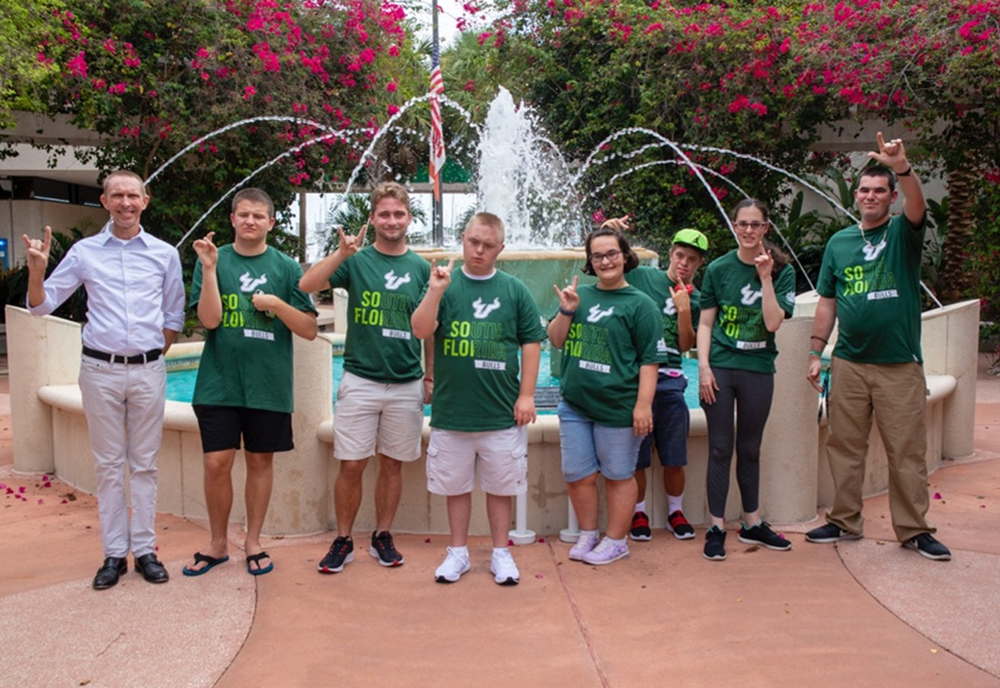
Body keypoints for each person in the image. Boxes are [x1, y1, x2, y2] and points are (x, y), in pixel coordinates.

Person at [23, 170, 185, 589]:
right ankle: (114, 554)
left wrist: (148, 357)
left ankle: (146, 550)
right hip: (99, 371)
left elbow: (173, 317)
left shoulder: (165, 254)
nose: (126, 203)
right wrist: (37, 271)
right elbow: (40, 307)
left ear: (145, 201)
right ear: (104, 200)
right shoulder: (84, 252)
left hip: (148, 371)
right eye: (118, 195)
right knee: (110, 466)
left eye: (133, 195)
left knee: (145, 465)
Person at [805, 134, 951, 561]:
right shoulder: (839, 243)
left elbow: (917, 204)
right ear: (857, 196)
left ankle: (914, 530)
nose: (871, 196)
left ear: (890, 198)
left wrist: (902, 167)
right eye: (864, 190)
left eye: (879, 191)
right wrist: (816, 352)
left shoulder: (903, 234)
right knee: (844, 446)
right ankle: (844, 520)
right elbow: (827, 301)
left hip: (898, 365)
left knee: (906, 450)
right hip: (848, 362)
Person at [183, 188, 318, 577]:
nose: (250, 222)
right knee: (216, 463)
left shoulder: (288, 268)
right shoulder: (213, 259)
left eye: (258, 216)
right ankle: (217, 543)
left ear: (271, 223)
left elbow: (308, 328)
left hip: (269, 385)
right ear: (232, 219)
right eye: (243, 215)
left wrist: (276, 304)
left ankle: (254, 541)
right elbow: (209, 321)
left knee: (260, 462)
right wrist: (208, 269)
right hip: (218, 383)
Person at [299, 182, 431, 573]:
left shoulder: (422, 269)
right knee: (352, 464)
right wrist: (341, 253)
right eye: (384, 214)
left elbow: (431, 331)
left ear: (409, 218)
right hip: (360, 379)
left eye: (399, 214)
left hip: (407, 381)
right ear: (372, 217)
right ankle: (343, 539)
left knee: (392, 463)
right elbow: (306, 285)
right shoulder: (356, 261)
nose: (392, 221)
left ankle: (382, 534)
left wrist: (430, 379)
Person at [411, 212, 545, 585]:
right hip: (452, 411)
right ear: (463, 239)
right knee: (455, 487)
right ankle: (458, 552)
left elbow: (531, 343)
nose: (479, 251)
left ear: (500, 248)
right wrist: (436, 291)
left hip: (501, 412)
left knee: (501, 488)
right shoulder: (444, 285)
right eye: (473, 242)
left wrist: (527, 395)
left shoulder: (514, 290)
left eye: (488, 245)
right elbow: (421, 329)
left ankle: (501, 552)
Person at [549, 227, 666, 565]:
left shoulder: (641, 305)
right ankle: (588, 533)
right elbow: (556, 340)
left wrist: (643, 405)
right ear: (590, 261)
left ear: (625, 256)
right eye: (597, 255)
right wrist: (567, 311)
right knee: (578, 475)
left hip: (618, 406)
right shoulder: (580, 295)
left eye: (611, 253)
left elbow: (650, 360)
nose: (605, 261)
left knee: (618, 476)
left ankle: (616, 540)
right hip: (575, 405)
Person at [697, 199, 796, 561]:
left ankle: (752, 522)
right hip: (721, 367)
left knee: (751, 448)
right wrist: (704, 367)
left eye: (756, 225)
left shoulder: (782, 270)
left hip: (757, 368)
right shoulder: (719, 269)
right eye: (743, 224)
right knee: (721, 447)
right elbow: (705, 322)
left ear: (766, 229)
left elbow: (772, 323)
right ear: (735, 227)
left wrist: (766, 277)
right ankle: (716, 527)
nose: (749, 230)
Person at [624, 226, 708, 541]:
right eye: (680, 255)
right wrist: (609, 229)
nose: (684, 263)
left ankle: (675, 512)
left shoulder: (698, 299)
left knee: (674, 455)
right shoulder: (644, 278)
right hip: (636, 378)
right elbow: (610, 259)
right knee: (637, 456)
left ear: (699, 264)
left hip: (671, 380)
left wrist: (685, 311)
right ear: (671, 253)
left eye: (692, 259)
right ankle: (639, 512)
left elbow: (686, 345)